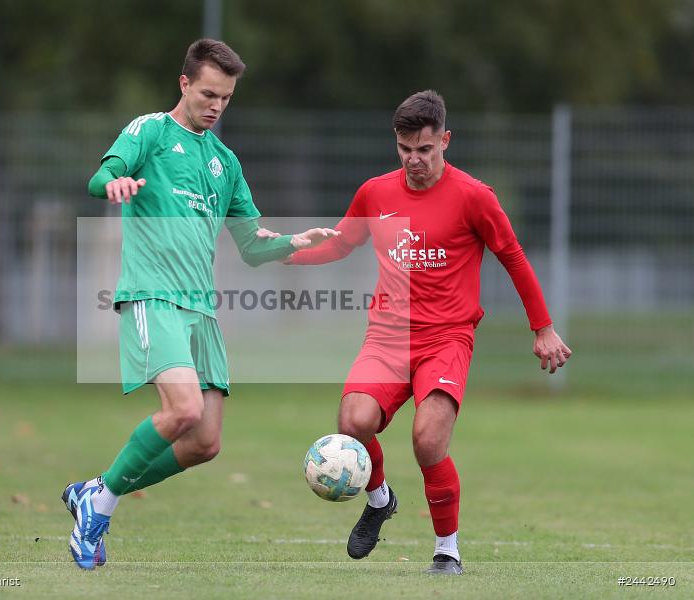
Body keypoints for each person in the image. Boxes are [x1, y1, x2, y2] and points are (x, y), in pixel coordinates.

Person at [64, 38, 338, 570]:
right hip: (152, 294)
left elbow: (252, 246)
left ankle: (94, 490)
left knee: (204, 442)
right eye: (209, 93)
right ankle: (100, 505)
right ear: (185, 84)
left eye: (227, 98)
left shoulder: (224, 162)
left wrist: (293, 243)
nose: (216, 105)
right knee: (183, 410)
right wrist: (115, 183)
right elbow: (100, 176)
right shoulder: (150, 131)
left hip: (201, 310)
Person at [286, 90, 572, 575]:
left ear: (445, 141)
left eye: (424, 149)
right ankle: (379, 500)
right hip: (387, 337)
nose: (414, 159)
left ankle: (447, 551)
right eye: (405, 149)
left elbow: (514, 257)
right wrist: (279, 250)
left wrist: (542, 328)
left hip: (447, 339)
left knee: (428, 440)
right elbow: (339, 246)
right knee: (353, 421)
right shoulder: (375, 193)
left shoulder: (474, 197)